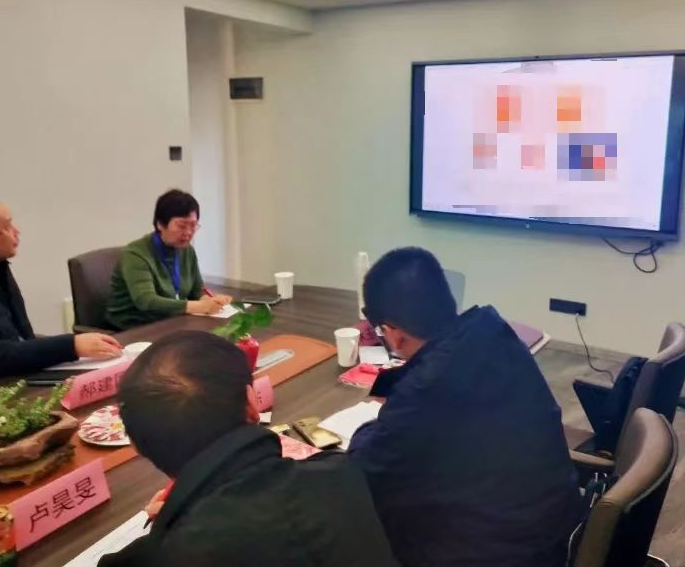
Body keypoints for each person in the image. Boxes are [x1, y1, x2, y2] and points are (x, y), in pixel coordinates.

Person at [349, 247, 585, 567]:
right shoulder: (494, 333)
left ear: (393, 333)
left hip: (501, 554)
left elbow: (361, 471)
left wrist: (370, 427)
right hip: (559, 530)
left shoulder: (422, 393)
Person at [99, 331, 398, 567]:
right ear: (252, 402)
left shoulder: (168, 553)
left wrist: (172, 526)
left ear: (136, 444)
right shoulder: (340, 473)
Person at [0, 195, 122, 381]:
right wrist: (71, 346)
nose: (16, 231)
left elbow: (22, 336)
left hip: (13, 375)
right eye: (7, 227)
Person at [106, 190, 231, 330]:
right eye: (182, 226)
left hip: (169, 321)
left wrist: (210, 301)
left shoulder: (187, 250)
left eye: (193, 226)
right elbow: (146, 301)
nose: (188, 233)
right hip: (132, 328)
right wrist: (198, 306)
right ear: (160, 224)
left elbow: (197, 292)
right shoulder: (135, 254)